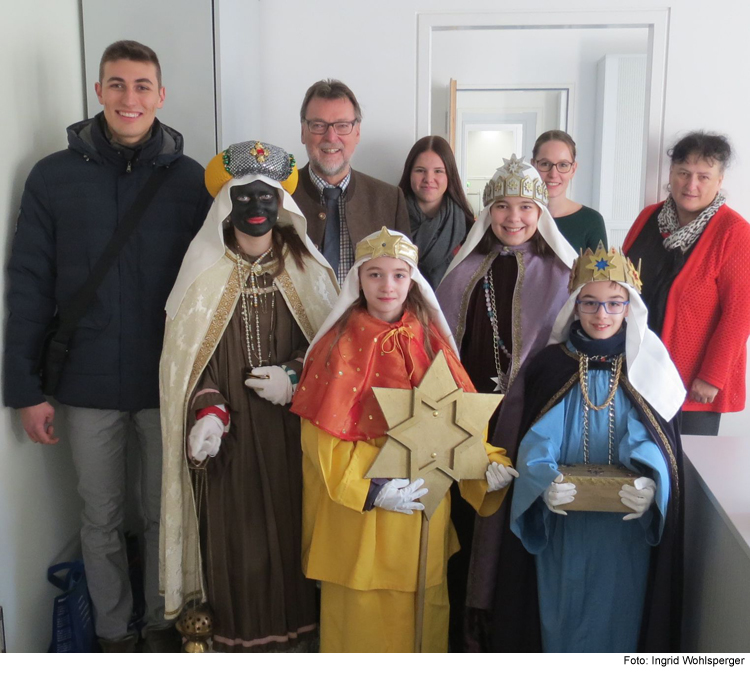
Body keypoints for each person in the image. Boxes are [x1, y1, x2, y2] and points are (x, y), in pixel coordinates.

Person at [3, 40, 211, 652]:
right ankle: (115, 635)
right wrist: (26, 390)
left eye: (142, 86)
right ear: (98, 92)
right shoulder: (52, 177)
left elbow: (210, 289)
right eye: (117, 85)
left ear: (161, 95)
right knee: (100, 520)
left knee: (161, 515)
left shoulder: (190, 181)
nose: (129, 97)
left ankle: (158, 628)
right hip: (85, 383)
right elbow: (29, 286)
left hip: (162, 384)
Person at [291, 228, 516, 652]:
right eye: (375, 274)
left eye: (398, 274)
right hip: (361, 516)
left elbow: (457, 420)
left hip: (421, 505)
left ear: (412, 279)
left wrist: (484, 465)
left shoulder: (432, 340)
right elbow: (320, 439)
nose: (387, 286)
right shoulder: (336, 345)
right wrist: (372, 489)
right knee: (360, 623)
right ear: (359, 279)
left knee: (422, 617)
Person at [159, 141, 338, 652]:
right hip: (230, 444)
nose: (257, 208)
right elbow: (189, 362)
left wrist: (295, 377)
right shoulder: (203, 276)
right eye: (245, 198)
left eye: (267, 197)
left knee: (293, 533)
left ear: (282, 204)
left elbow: (332, 351)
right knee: (239, 541)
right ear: (227, 204)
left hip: (294, 436)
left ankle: (303, 640)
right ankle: (239, 643)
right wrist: (208, 414)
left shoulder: (310, 272)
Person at [509, 245, 685, 652]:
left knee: (619, 618)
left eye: (613, 303)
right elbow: (537, 438)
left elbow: (651, 438)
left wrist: (652, 483)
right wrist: (541, 483)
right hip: (563, 528)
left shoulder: (649, 368)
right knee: (562, 617)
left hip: (624, 532)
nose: (601, 315)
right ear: (574, 306)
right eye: (590, 303)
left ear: (629, 307)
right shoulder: (551, 366)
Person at [436, 155, 576, 650]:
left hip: (532, 422)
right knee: (468, 520)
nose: (512, 217)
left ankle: (510, 635)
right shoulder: (464, 270)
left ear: (541, 212)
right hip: (469, 421)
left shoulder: (562, 273)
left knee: (517, 523)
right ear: (486, 211)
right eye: (501, 206)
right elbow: (442, 348)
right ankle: (464, 632)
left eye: (524, 207)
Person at [623, 131, 750, 436]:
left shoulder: (734, 232)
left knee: (685, 474)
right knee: (638, 470)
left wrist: (713, 375)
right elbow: (622, 283)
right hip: (637, 369)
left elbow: (739, 314)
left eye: (703, 176)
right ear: (671, 174)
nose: (691, 185)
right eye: (683, 173)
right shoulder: (648, 218)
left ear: (719, 181)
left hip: (692, 381)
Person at [292, 79, 410, 285]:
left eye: (342, 126)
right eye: (318, 125)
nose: (331, 136)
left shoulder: (390, 200)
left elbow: (405, 283)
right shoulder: (278, 198)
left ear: (357, 132)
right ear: (303, 131)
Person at [397, 135, 474, 288]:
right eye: (420, 170)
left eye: (438, 171)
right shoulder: (390, 221)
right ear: (409, 173)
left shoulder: (469, 228)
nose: (429, 179)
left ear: (449, 175)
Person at [531, 130, 607, 253]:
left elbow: (599, 271)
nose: (553, 174)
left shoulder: (591, 221)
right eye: (545, 164)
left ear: (573, 169)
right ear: (533, 165)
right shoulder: (519, 218)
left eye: (563, 165)